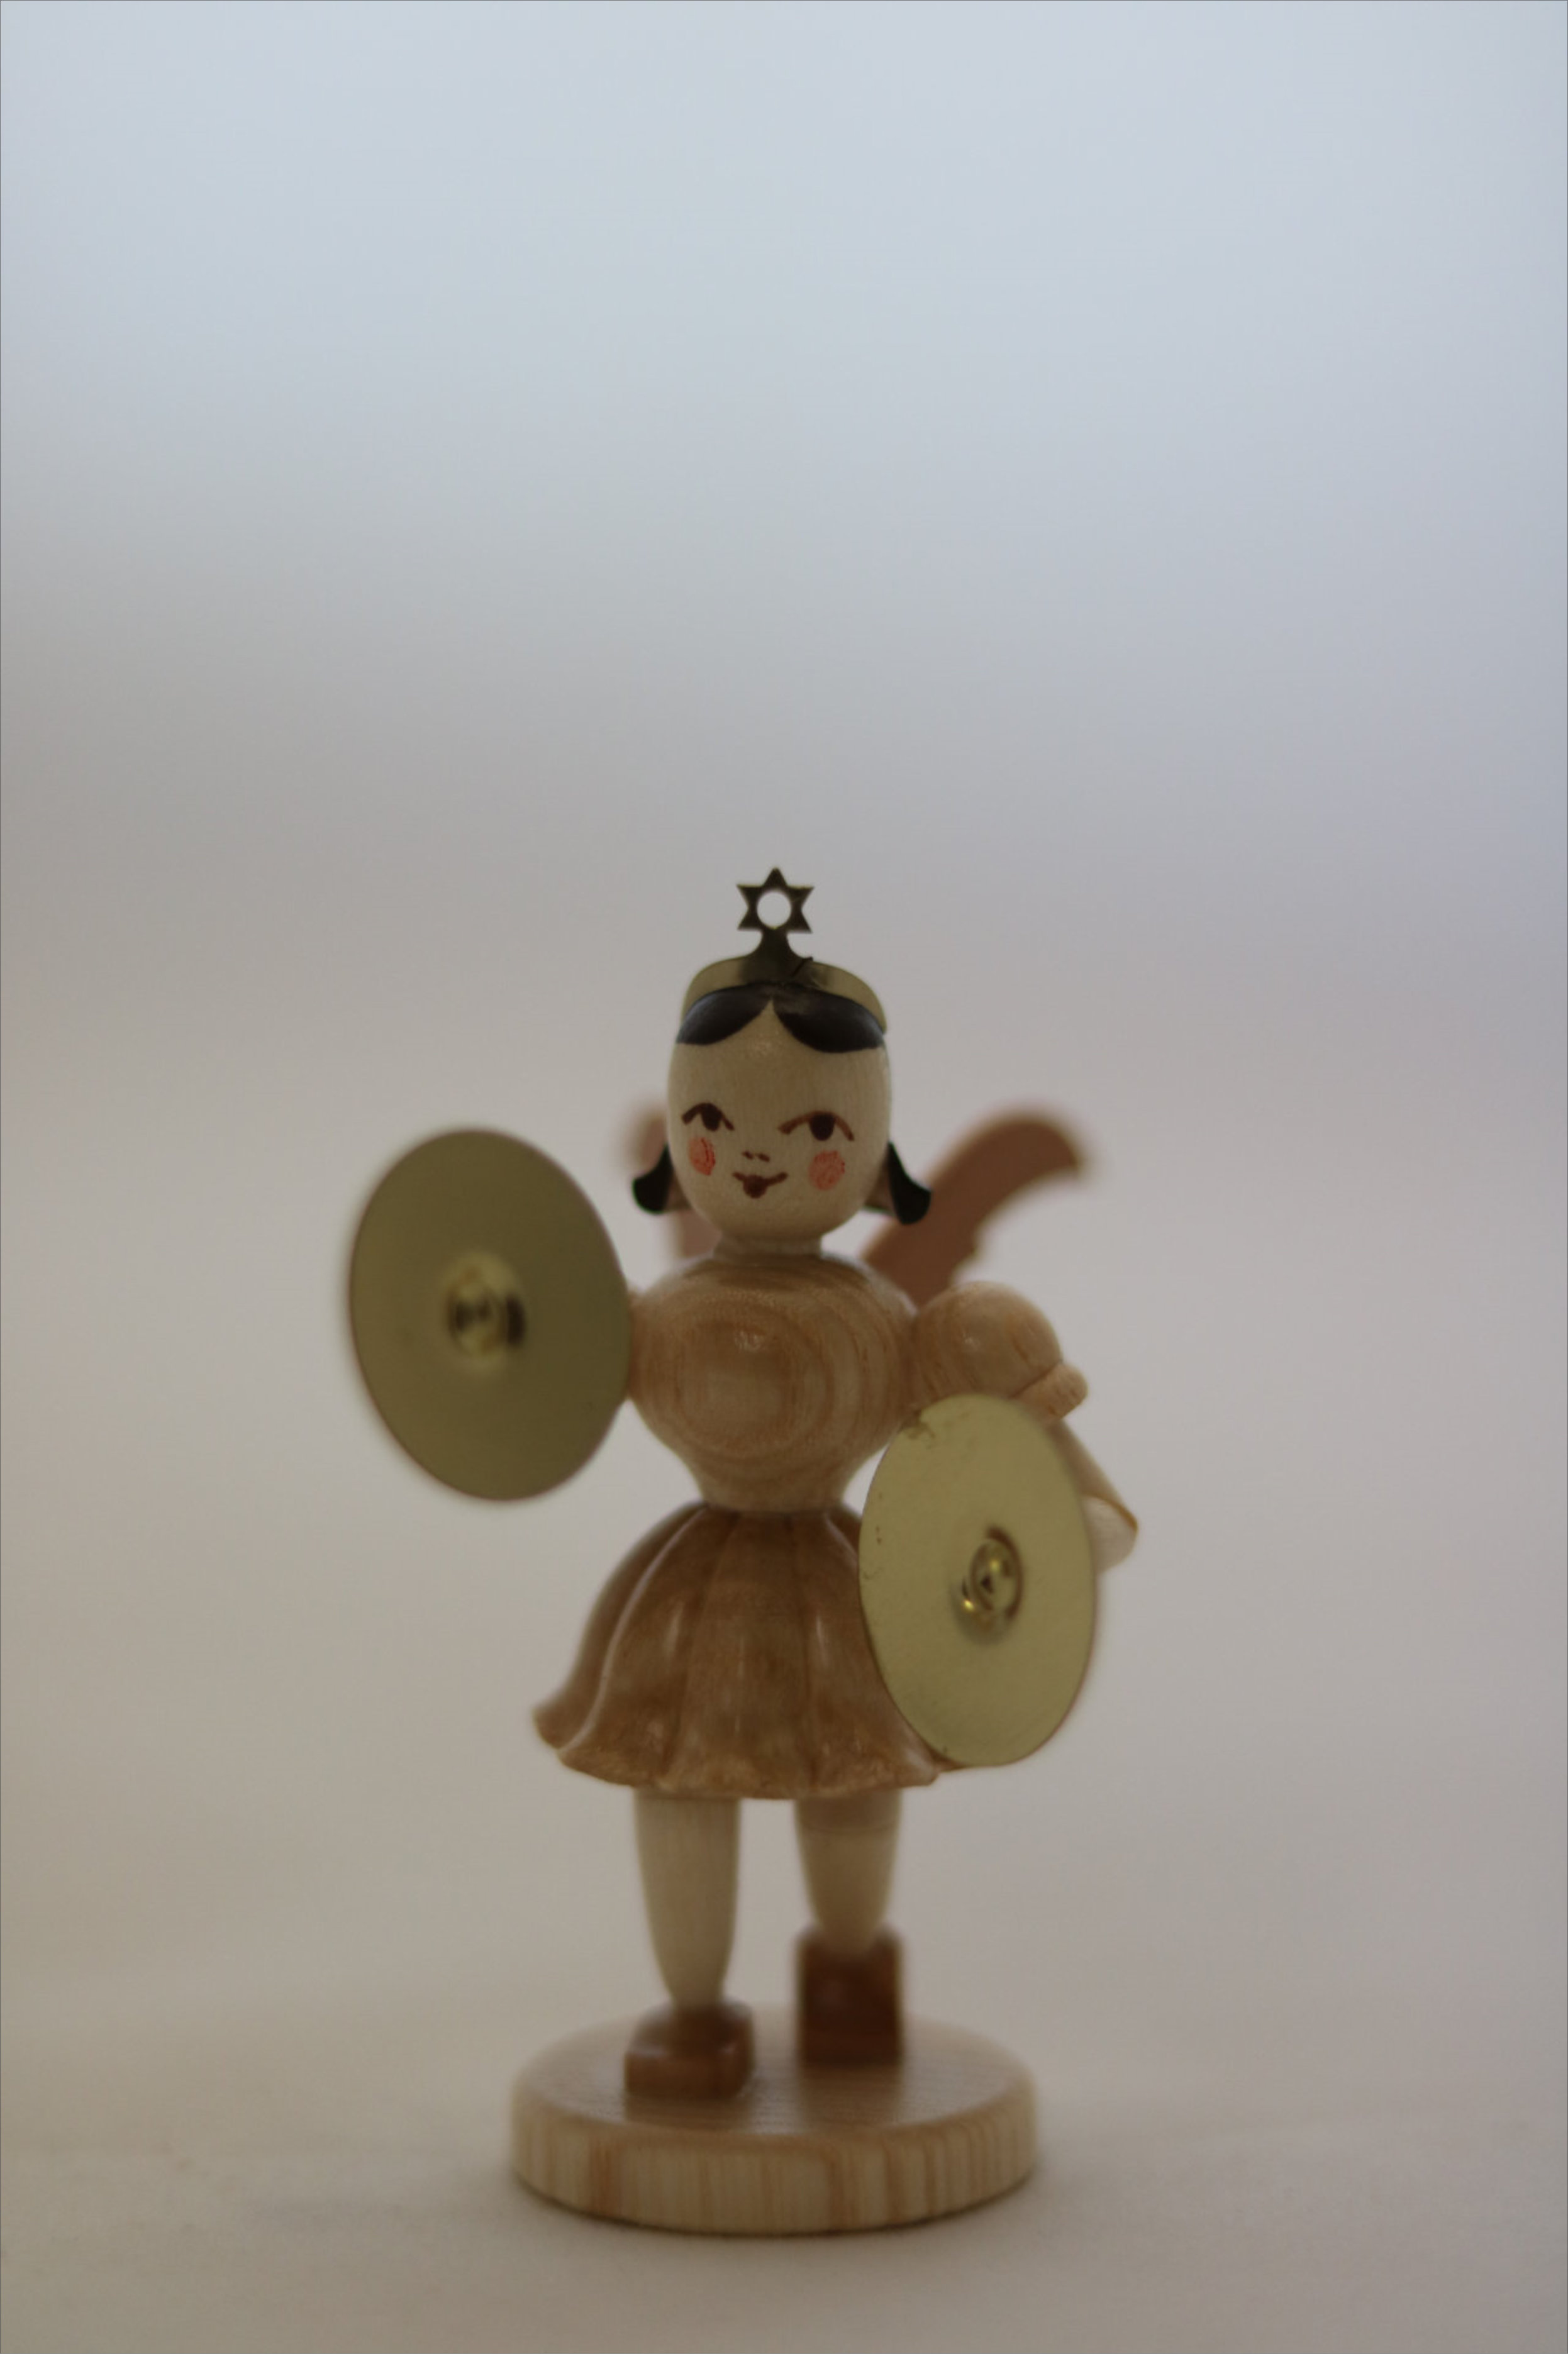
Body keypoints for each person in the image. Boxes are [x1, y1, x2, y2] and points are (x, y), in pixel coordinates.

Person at [535, 873, 1134, 2097]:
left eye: (813, 1129)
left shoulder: (898, 1326)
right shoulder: (651, 1319)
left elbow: (1025, 1452)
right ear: (678, 1141)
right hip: (690, 1599)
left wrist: (1067, 1522)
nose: (759, 1153)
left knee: (852, 1781)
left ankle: (850, 1975)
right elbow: (522, 1380)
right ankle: (692, 2017)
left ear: (866, 1157)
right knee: (674, 1780)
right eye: (717, 1122)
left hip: (844, 1591)